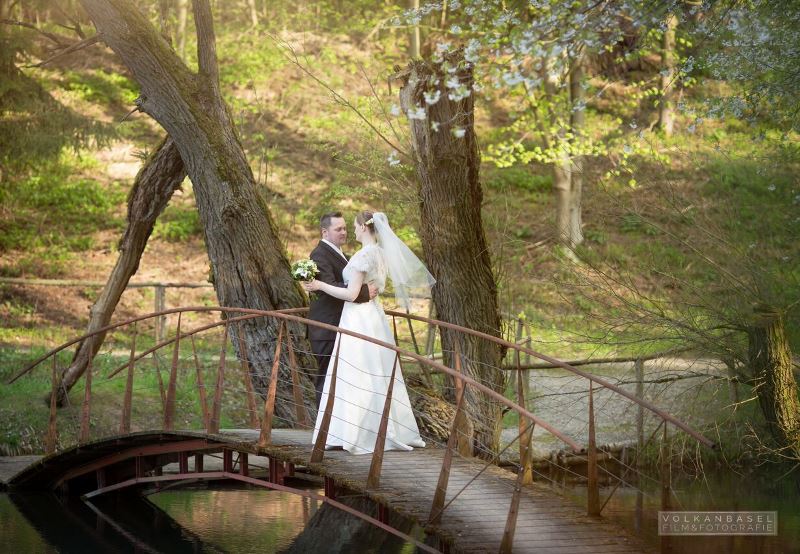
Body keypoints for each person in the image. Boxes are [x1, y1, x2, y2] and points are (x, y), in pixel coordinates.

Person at [303, 210, 435, 455]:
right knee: (372, 371)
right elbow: (360, 289)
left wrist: (319, 285)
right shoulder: (378, 253)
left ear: (364, 227)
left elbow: (351, 293)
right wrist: (361, 291)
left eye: (350, 226)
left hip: (357, 318)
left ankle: (357, 433)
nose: (348, 231)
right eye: (340, 228)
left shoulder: (363, 255)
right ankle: (370, 429)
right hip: (370, 318)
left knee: (358, 372)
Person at [308, 212, 378, 406]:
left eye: (345, 228)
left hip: (344, 325)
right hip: (326, 327)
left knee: (342, 380)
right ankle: (323, 430)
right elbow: (328, 286)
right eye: (338, 229)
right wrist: (363, 293)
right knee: (326, 377)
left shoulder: (343, 255)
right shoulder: (319, 254)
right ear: (325, 232)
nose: (344, 232)